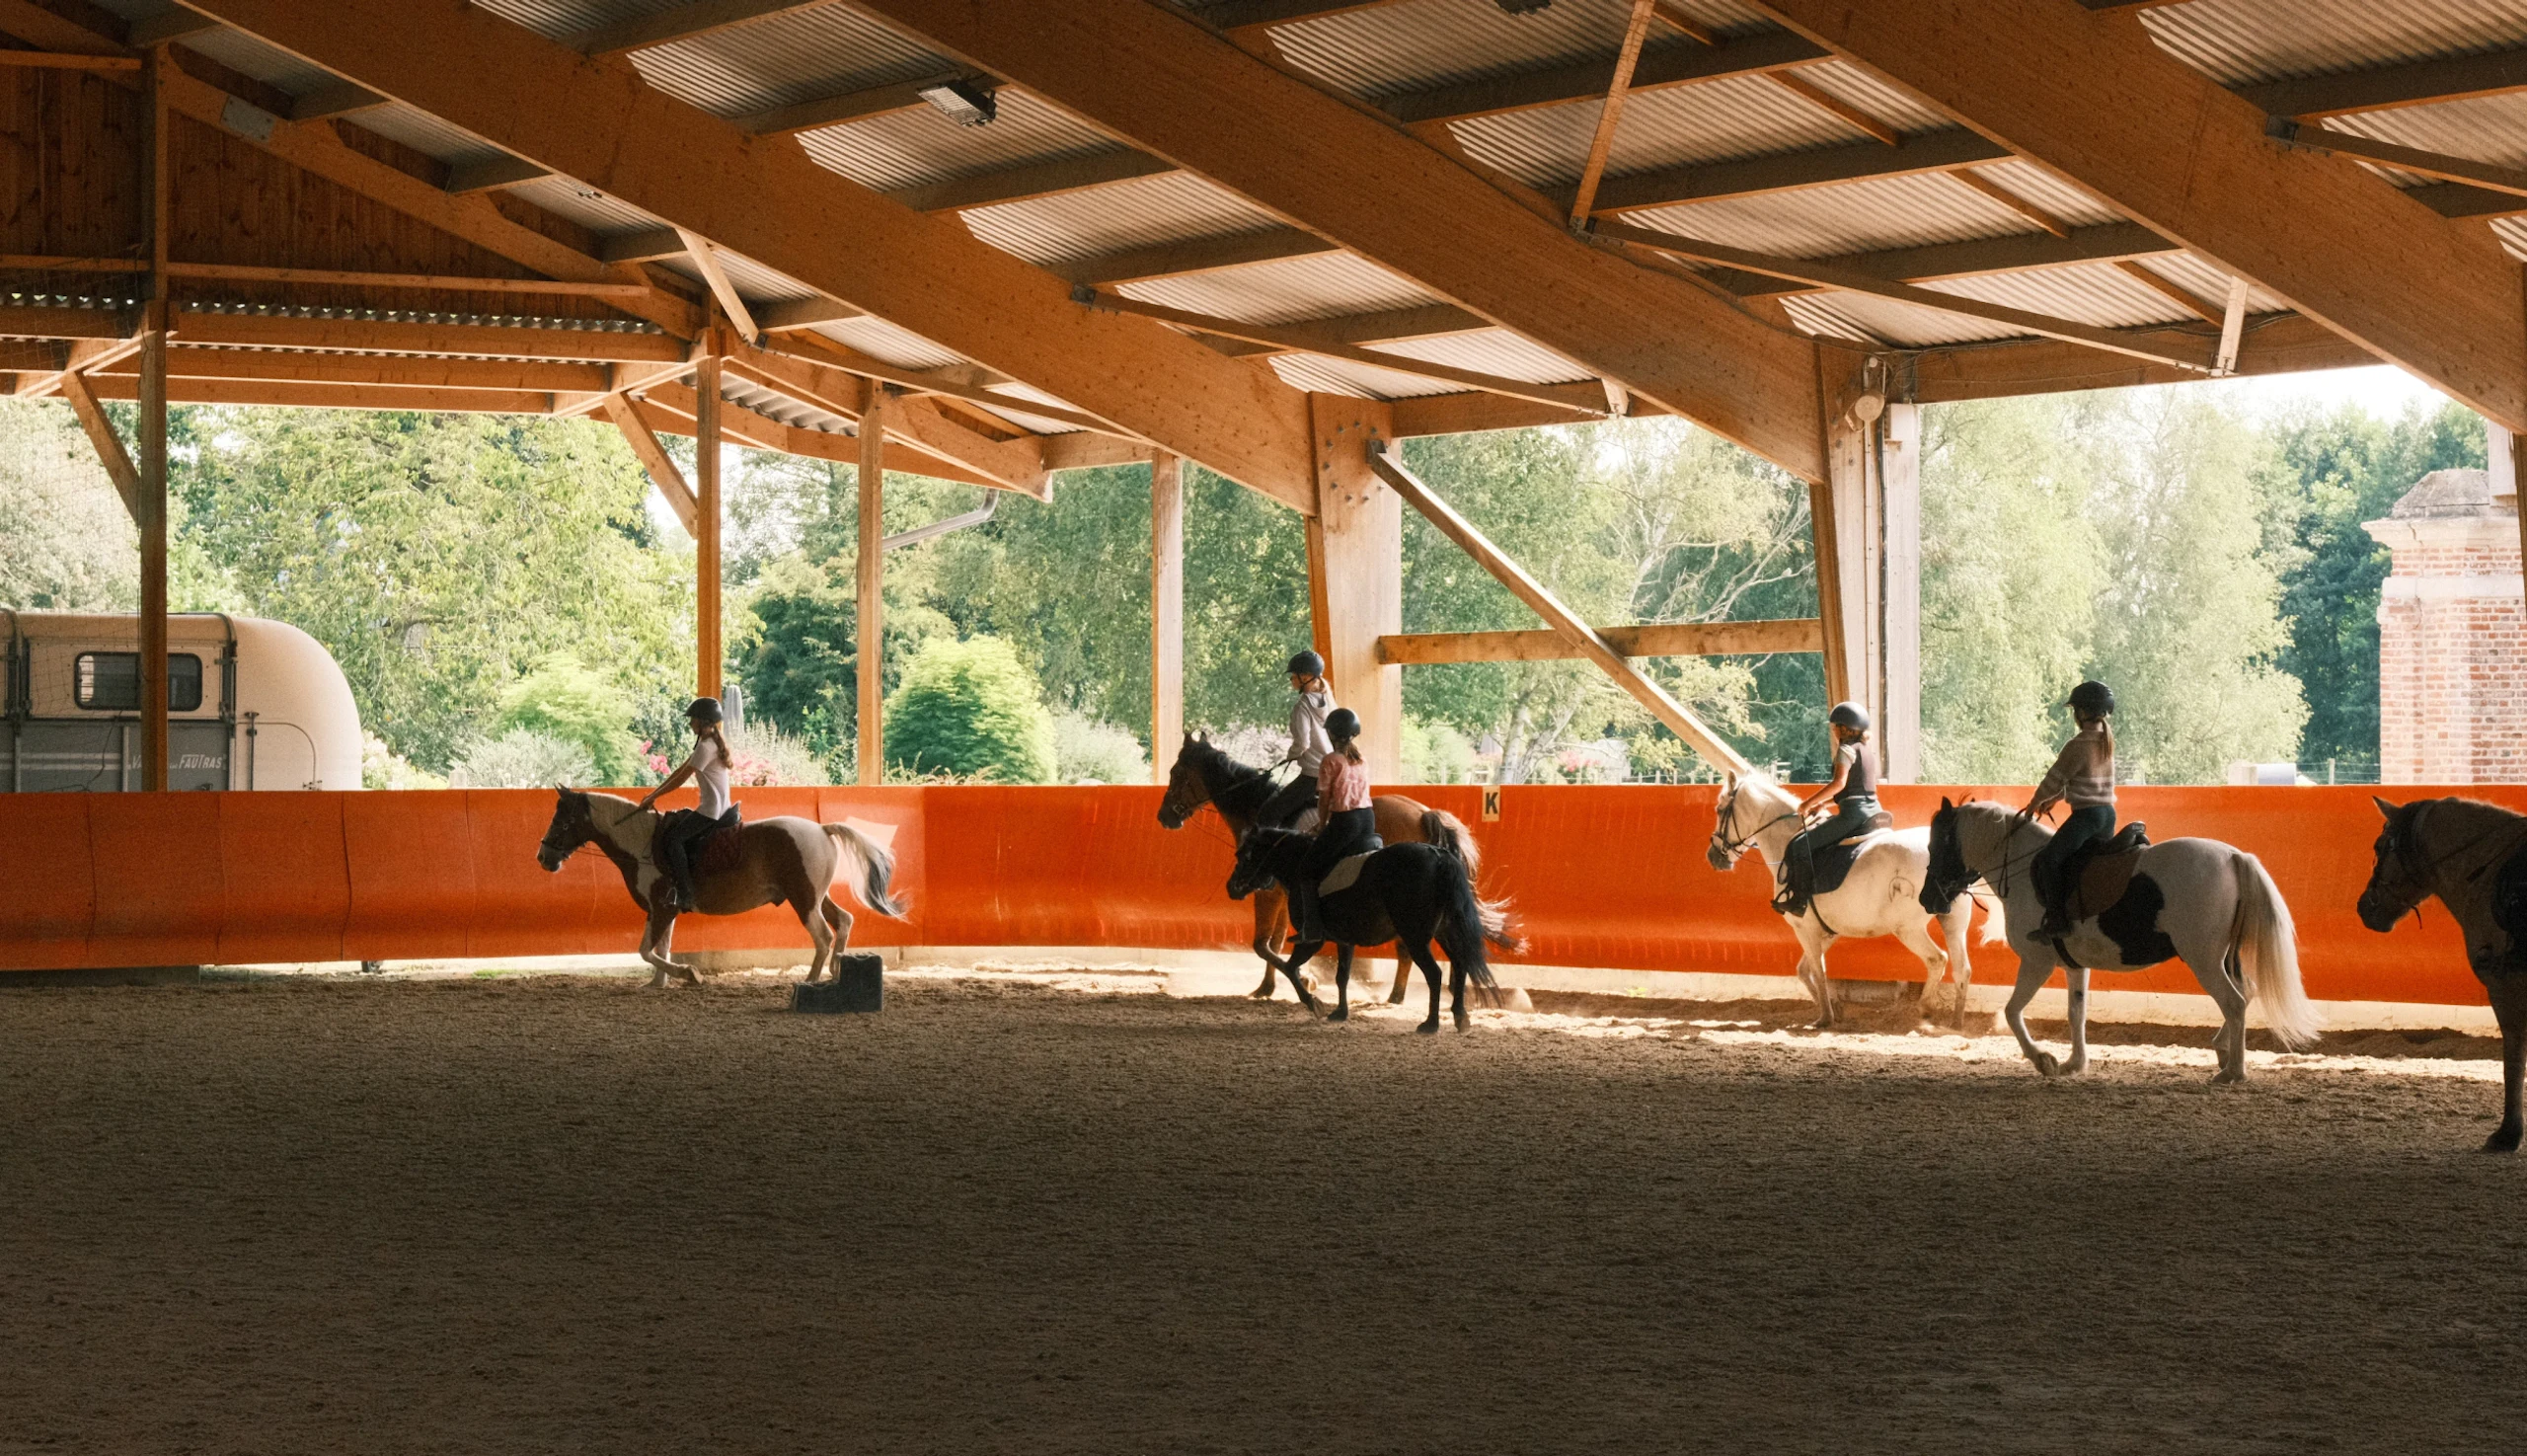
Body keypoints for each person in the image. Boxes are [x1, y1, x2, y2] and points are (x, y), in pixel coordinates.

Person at [2028, 680, 2118, 939]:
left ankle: (2057, 921)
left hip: (2087, 817)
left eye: (2075, 710)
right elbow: (2081, 780)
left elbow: (2054, 779)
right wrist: (2055, 798)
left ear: (2082, 712)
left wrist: (2035, 802)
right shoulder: (2106, 742)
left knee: (2049, 860)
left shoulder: (2078, 744)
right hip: (2107, 815)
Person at [1775, 701, 1881, 918]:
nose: (1833, 733)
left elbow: (1839, 784)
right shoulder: (1867, 752)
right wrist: (1828, 804)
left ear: (1843, 729)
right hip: (1874, 811)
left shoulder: (1845, 749)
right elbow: (1858, 790)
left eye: (1834, 728)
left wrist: (1808, 803)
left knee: (1800, 845)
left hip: (1854, 815)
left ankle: (1799, 902)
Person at [1287, 707, 1382, 941]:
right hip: (1368, 820)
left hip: (1345, 822)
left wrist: (1321, 825)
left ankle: (1312, 928)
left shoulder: (1330, 760)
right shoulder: (1361, 759)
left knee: (1306, 870)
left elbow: (1325, 799)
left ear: (1330, 734)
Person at [637, 697, 738, 912]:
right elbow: (679, 772)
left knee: (673, 840)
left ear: (703, 721)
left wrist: (653, 798)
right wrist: (653, 795)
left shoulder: (706, 748)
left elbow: (681, 779)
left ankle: (685, 894)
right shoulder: (708, 743)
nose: (690, 723)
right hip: (719, 808)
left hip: (712, 811)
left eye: (693, 719)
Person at [1257, 650, 1339, 829]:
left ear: (1306, 676)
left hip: (1312, 776)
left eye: (1294, 675)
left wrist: (1289, 757)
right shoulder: (1329, 701)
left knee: (1268, 814)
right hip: (1332, 771)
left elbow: (1302, 744)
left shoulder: (1302, 706)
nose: (1292, 679)